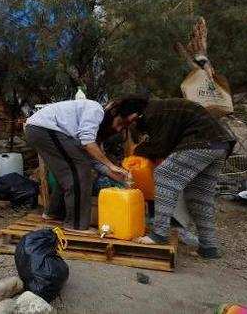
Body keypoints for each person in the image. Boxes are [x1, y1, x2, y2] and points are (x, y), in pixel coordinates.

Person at [110, 96, 234, 258]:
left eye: (122, 122)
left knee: (164, 175)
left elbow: (161, 145)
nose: (121, 128)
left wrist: (137, 153)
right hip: (220, 145)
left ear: (132, 115)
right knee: (199, 196)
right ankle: (208, 247)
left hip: (202, 142)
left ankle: (159, 234)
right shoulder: (161, 108)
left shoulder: (154, 113)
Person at [25, 99, 132, 232]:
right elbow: (87, 143)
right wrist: (110, 165)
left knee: (69, 172)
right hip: (44, 128)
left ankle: (54, 213)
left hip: (40, 129)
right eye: (120, 123)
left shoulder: (90, 128)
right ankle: (76, 225)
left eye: (123, 128)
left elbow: (91, 158)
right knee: (80, 171)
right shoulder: (96, 111)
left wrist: (117, 176)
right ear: (113, 114)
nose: (118, 128)